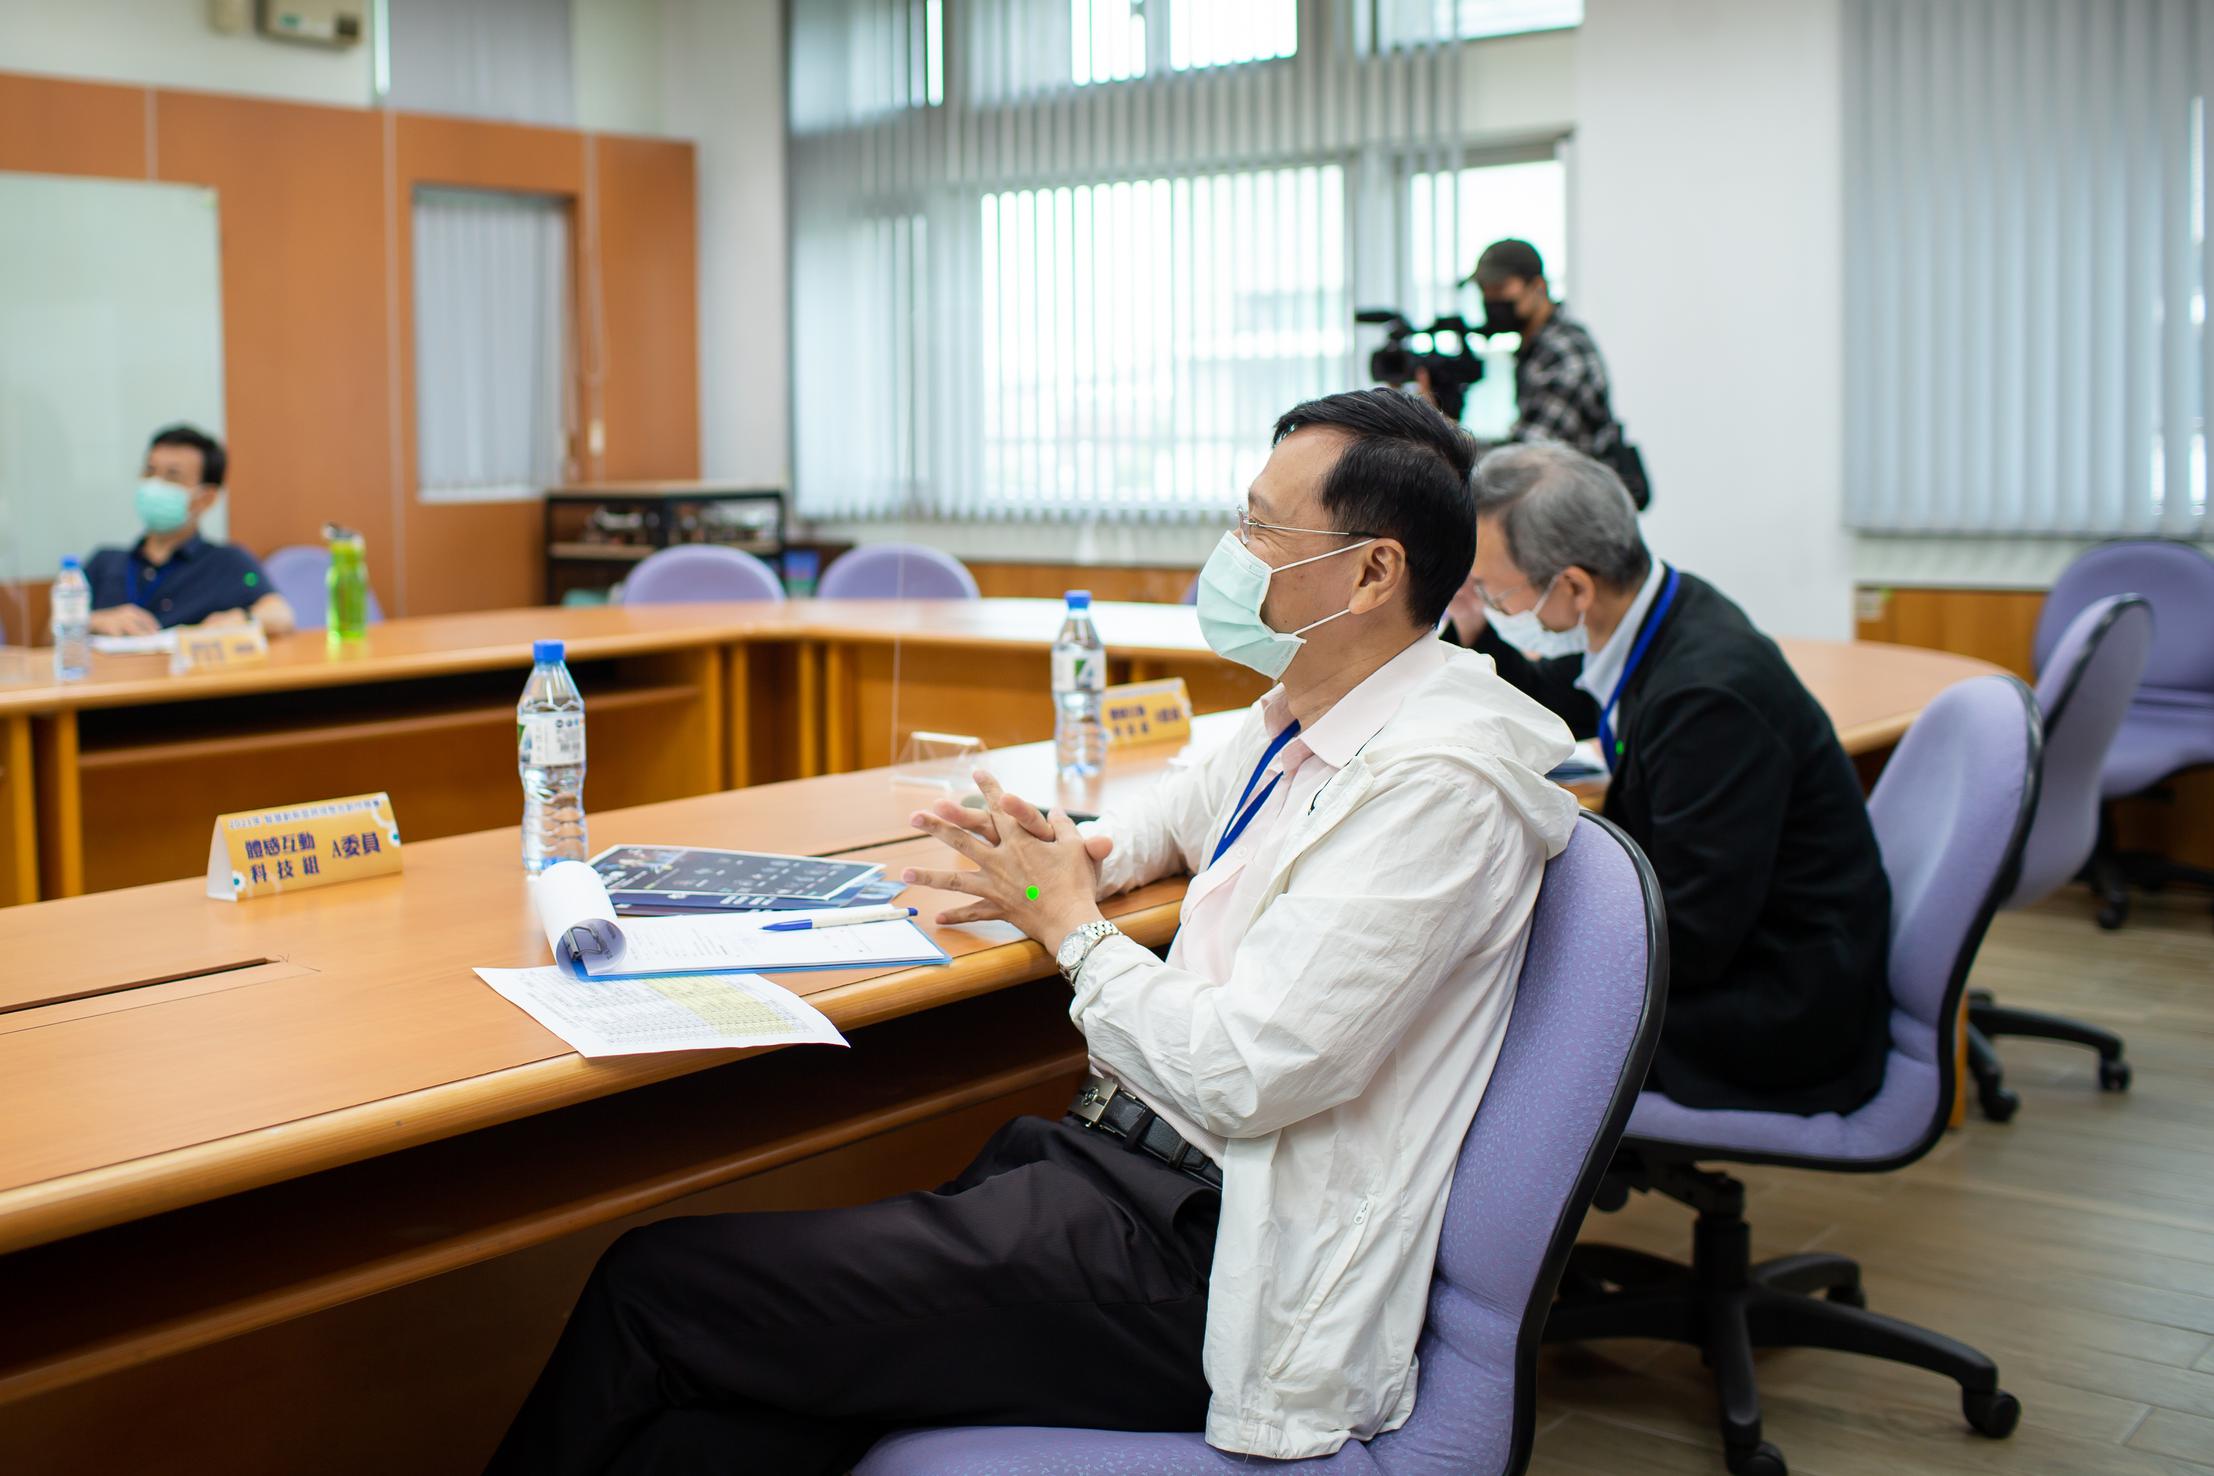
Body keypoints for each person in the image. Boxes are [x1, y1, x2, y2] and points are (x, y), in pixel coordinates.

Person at [485, 390, 1579, 1474]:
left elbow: (1253, 1071)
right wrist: (1077, 853)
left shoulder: (1437, 784)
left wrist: (1073, 930)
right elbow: (1187, 808)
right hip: (1119, 1168)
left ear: (1373, 573)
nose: (1231, 554)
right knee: (733, 1415)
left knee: (653, 1291)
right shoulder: (1321, 705)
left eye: (1260, 528)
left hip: (1214, 1252)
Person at [1446, 442, 1890, 1114]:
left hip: (1782, 1005)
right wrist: (1478, 629)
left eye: (1495, 589)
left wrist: (1519, 942)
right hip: (1745, 949)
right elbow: (1562, 701)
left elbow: (1695, 938)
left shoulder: (1708, 699)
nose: (1488, 599)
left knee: (1480, 1029)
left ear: (1574, 587)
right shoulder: (1663, 612)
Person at [1466, 238, 1649, 508]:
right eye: (1484, 290)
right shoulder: (1536, 348)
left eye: (1500, 289)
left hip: (1580, 515)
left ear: (1538, 287)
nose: (1491, 300)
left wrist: (1445, 439)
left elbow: (1525, 458)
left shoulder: (1564, 354)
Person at [83, 425, 295, 637]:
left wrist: (243, 618)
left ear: (206, 498)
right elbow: (61, 625)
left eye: (172, 476)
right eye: (150, 472)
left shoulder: (228, 563)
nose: (155, 485)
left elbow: (280, 615)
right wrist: (95, 621)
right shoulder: (105, 562)